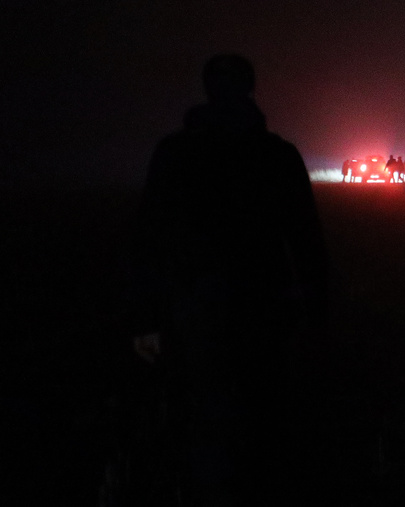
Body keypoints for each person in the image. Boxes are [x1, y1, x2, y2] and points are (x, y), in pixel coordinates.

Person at [128, 54, 330, 505]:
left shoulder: (174, 153)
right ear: (250, 89)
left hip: (193, 308)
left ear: (207, 89)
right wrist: (319, 311)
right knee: (262, 418)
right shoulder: (277, 155)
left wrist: (144, 318)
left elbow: (149, 238)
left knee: (202, 420)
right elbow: (306, 239)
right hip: (264, 306)